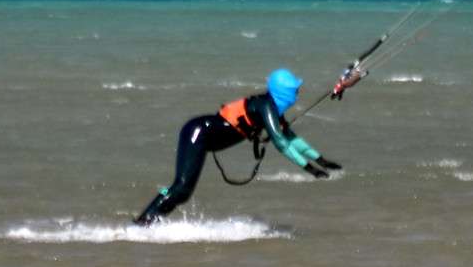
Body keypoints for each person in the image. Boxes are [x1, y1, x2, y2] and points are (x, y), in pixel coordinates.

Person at [134, 68, 342, 225]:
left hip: (202, 136)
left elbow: (292, 139)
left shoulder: (270, 108)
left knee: (183, 191)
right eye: (295, 90)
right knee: (182, 188)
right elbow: (280, 141)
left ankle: (149, 223)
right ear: (284, 91)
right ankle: (143, 224)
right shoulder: (266, 107)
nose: (298, 94)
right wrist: (309, 168)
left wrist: (321, 160)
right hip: (198, 132)